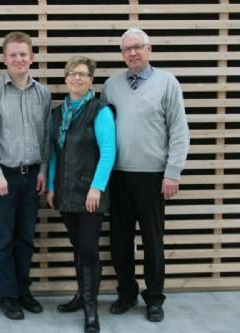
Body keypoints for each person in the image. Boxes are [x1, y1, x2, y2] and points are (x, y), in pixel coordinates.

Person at [101, 28, 190, 323]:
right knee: (120, 240)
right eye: (126, 49)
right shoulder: (111, 85)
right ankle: (126, 293)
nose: (132, 53)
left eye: (137, 47)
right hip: (118, 175)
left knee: (153, 241)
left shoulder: (167, 83)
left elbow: (179, 130)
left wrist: (173, 172)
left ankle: (154, 299)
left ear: (149, 49)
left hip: (153, 176)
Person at [0, 31, 52, 320]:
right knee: (3, 240)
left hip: (32, 176)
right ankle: (8, 295)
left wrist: (44, 170)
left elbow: (46, 138)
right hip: (3, 178)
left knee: (25, 238)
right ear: (4, 59)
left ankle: (23, 290)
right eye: (13, 54)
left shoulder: (42, 93)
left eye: (23, 54)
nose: (19, 59)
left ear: (32, 57)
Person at [47, 56, 116, 333]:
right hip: (66, 193)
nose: (77, 78)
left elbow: (109, 151)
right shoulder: (57, 113)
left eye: (83, 74)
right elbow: (54, 153)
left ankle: (91, 309)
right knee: (78, 248)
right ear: (65, 79)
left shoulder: (100, 110)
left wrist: (96, 188)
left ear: (91, 80)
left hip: (91, 194)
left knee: (88, 250)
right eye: (72, 74)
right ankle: (80, 295)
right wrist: (52, 186)